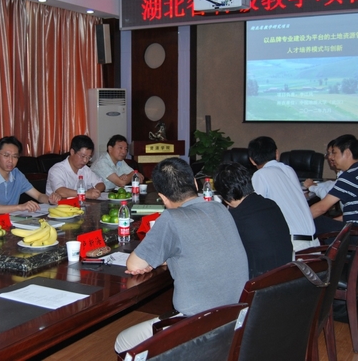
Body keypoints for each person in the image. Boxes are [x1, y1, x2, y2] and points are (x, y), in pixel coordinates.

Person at [114, 158, 248, 353]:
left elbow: (134, 265)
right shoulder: (219, 208)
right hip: (235, 319)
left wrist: (159, 258)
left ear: (163, 197)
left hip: (199, 325)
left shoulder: (171, 218)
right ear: (195, 183)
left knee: (123, 342)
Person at [215, 162, 293, 278]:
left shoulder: (235, 218)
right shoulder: (270, 204)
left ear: (224, 197)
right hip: (288, 276)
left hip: (260, 283)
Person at [248, 136, 319, 252]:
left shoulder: (260, 175)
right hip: (314, 243)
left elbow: (256, 209)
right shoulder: (288, 169)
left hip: (294, 246)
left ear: (252, 160)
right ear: (277, 154)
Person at [311, 134, 358, 235]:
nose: (332, 158)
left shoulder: (350, 176)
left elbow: (322, 207)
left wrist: (297, 219)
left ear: (347, 153)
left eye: (334, 153)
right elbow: (354, 212)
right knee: (318, 220)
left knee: (315, 221)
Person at [0, 136, 61, 215]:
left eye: (15, 156)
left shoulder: (17, 174)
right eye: (6, 155)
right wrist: (19, 207)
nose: (10, 160)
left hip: (12, 221)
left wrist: (50, 200)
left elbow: (38, 196)